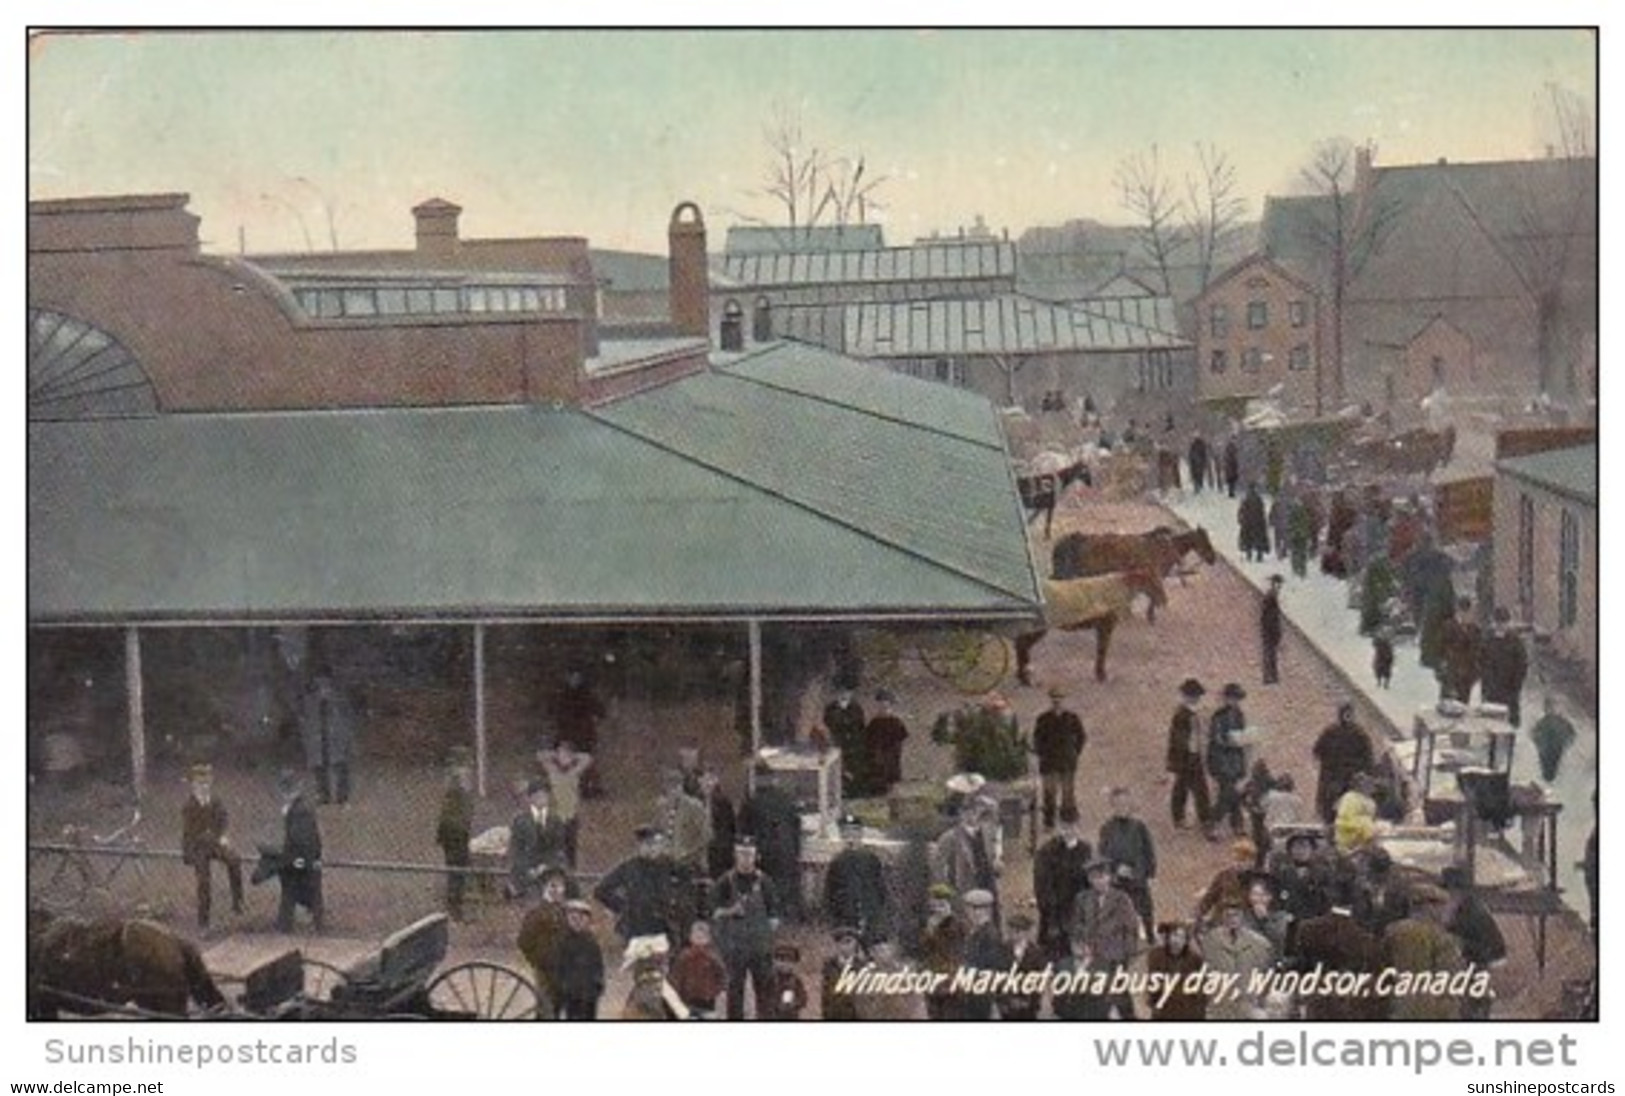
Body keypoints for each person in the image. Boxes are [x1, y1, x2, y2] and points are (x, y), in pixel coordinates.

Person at [710, 836, 782, 1020]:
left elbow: (775, 916)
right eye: (741, 854)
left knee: (765, 991)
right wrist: (730, 911)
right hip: (735, 949)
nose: (745, 859)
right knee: (734, 992)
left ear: (756, 856)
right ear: (735, 855)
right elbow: (713, 913)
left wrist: (765, 933)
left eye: (749, 854)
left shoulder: (765, 882)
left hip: (760, 948)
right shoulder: (725, 882)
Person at [1382, 884, 1466, 1020]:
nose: (1444, 911)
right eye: (1442, 906)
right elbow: (1449, 981)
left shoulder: (1392, 931)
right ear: (1430, 907)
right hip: (1432, 1009)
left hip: (1398, 1005)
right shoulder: (1442, 938)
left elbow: (1383, 967)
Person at [1070, 859, 1140, 1020]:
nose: (1099, 881)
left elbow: (1131, 928)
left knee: (1120, 996)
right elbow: (1076, 927)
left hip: (1115, 957)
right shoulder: (1082, 899)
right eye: (1094, 878)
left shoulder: (1121, 898)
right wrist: (1081, 949)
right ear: (1089, 880)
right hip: (1091, 956)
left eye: (1102, 877)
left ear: (1109, 877)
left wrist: (1126, 954)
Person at [180, 762, 244, 931]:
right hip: (197, 846)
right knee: (204, 882)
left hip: (213, 842)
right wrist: (212, 838)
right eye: (200, 784)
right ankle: (203, 923)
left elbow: (223, 819)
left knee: (235, 860)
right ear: (193, 785)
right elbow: (192, 833)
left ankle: (238, 902)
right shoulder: (189, 806)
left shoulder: (215, 800)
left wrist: (222, 835)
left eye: (207, 783)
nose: (204, 787)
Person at [594, 825, 680, 947]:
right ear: (640, 846)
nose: (652, 849)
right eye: (648, 844)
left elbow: (684, 884)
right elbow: (601, 890)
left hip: (662, 928)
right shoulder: (629, 867)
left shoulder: (668, 866)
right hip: (636, 927)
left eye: (656, 844)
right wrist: (622, 906)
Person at [1440, 866, 1506, 1020]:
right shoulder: (1466, 905)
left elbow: (1482, 943)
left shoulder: (1470, 910)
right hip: (1477, 958)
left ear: (1455, 888)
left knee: (1473, 1001)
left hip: (1479, 958)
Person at [1098, 786, 1157, 941]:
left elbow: (1148, 850)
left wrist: (1148, 871)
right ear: (1112, 806)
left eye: (1125, 804)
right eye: (1118, 804)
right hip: (1118, 881)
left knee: (1145, 909)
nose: (1122, 808)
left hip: (1138, 878)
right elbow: (1103, 855)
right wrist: (1115, 870)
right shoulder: (1107, 829)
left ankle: (1150, 934)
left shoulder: (1139, 827)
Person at [1200, 899, 1274, 1020]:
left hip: (1247, 1007)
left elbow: (1266, 975)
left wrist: (1260, 1003)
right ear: (1222, 917)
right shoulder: (1211, 942)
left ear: (1242, 917)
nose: (1232, 919)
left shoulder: (1259, 944)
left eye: (1236, 915)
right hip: (1219, 1008)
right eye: (1228, 915)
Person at [1033, 806, 1092, 958]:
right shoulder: (1047, 851)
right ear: (1058, 827)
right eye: (1064, 827)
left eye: (1072, 827)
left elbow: (1090, 882)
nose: (1068, 831)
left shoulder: (1086, 850)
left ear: (1078, 826)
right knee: (1053, 957)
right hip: (1054, 914)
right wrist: (1050, 913)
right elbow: (1041, 885)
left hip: (1078, 912)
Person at [824, 814, 890, 945]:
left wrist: (879, 916)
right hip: (846, 918)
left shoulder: (871, 859)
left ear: (860, 834)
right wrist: (834, 922)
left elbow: (881, 891)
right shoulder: (837, 862)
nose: (850, 837)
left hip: (870, 916)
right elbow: (829, 894)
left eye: (854, 832)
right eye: (846, 833)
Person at [933, 797, 1000, 922]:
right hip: (963, 896)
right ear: (961, 814)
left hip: (987, 891)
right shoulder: (949, 838)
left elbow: (991, 862)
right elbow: (938, 872)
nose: (973, 815)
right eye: (968, 811)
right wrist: (948, 898)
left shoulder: (986, 834)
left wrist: (995, 866)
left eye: (976, 811)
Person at [274, 768, 323, 933]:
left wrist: (297, 859)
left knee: (289, 878)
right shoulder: (294, 809)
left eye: (290, 790)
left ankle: (289, 922)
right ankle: (288, 921)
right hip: (303, 857)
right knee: (282, 871)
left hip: (305, 859)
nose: (286, 794)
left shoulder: (300, 811)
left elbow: (302, 840)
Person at [517, 867, 571, 1015]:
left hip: (562, 968)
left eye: (560, 886)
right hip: (544, 968)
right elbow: (523, 941)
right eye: (552, 886)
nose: (556, 890)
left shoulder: (565, 912)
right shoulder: (536, 912)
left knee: (558, 1005)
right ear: (544, 888)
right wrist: (537, 960)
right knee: (545, 1007)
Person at [300, 667, 357, 806]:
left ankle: (342, 797)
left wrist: (347, 736)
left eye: (325, 683)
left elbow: (347, 717)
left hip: (336, 737)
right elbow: (305, 718)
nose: (323, 686)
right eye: (319, 683)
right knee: (319, 767)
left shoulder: (339, 698)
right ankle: (323, 795)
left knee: (340, 765)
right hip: (318, 738)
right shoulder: (310, 699)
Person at [1032, 686, 1086, 830]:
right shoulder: (1043, 719)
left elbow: (1081, 737)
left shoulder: (1072, 718)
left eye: (1060, 698)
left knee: (1068, 792)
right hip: (1049, 762)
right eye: (1054, 698)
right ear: (1051, 700)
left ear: (1064, 700)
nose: (1057, 701)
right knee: (1049, 792)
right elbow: (1037, 739)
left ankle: (1068, 820)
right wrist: (1041, 753)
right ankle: (1049, 822)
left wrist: (1075, 752)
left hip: (1067, 761)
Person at [1312, 702, 1375, 825]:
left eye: (1349, 714)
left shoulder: (1359, 734)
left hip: (1348, 780)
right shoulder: (1331, 733)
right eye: (1346, 714)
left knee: (1348, 808)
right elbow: (1318, 752)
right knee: (1333, 809)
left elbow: (1368, 759)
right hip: (1335, 778)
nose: (1348, 717)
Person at [1165, 678, 1213, 835]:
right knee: (1188, 788)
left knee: (1193, 788)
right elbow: (1180, 740)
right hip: (1185, 758)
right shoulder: (1182, 715)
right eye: (1193, 695)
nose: (1196, 698)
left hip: (1192, 756)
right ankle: (1188, 818)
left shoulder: (1189, 713)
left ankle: (1196, 818)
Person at [509, 781, 569, 898]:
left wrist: (546, 866)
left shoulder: (556, 821)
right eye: (537, 796)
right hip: (525, 874)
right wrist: (528, 869)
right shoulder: (520, 821)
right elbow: (516, 850)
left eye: (544, 795)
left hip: (550, 873)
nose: (541, 799)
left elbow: (559, 848)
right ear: (530, 798)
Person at [536, 737, 589, 869]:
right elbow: (540, 756)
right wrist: (557, 754)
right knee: (553, 848)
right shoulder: (553, 771)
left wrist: (572, 756)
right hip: (556, 816)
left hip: (571, 816)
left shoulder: (574, 772)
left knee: (570, 850)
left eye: (567, 754)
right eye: (561, 754)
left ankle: (571, 874)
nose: (563, 757)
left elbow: (587, 758)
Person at [552, 670, 607, 797]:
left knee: (585, 762)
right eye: (572, 677)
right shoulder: (563, 695)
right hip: (569, 733)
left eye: (576, 678)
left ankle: (588, 787)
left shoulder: (586, 695)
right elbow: (555, 712)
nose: (574, 681)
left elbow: (601, 711)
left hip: (583, 733)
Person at [435, 749, 474, 921]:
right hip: (454, 834)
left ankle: (455, 904)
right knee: (456, 870)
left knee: (458, 870)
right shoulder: (456, 789)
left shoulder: (456, 788)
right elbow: (452, 816)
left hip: (456, 832)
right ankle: (454, 907)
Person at [1206, 683, 1250, 838]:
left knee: (1235, 793)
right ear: (1226, 698)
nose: (1235, 701)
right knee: (1227, 793)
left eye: (1237, 699)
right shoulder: (1218, 716)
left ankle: (1236, 824)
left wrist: (1245, 739)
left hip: (1236, 760)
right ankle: (1213, 823)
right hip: (1221, 760)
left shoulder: (1239, 714)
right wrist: (1231, 742)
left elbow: (1242, 735)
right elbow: (1216, 739)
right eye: (1233, 698)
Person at [958, 889, 1009, 1020]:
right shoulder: (975, 932)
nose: (969, 913)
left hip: (982, 994)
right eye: (969, 909)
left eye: (971, 909)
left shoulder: (989, 935)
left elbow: (991, 966)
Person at [918, 883, 967, 1020]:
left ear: (948, 906)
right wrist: (930, 930)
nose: (938, 910)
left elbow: (955, 948)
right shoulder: (930, 924)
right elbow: (924, 949)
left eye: (941, 905)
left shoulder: (957, 924)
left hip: (950, 979)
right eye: (935, 906)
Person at [554, 899, 605, 1020]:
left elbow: (598, 965)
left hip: (589, 992)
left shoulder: (591, 942)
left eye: (581, 919)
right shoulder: (562, 941)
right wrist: (561, 986)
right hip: (571, 991)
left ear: (587, 921)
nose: (577, 923)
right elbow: (558, 966)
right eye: (573, 919)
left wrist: (598, 982)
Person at [1477, 608, 1529, 725]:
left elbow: (1522, 665)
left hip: (1509, 689)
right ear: (1494, 622)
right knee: (1490, 721)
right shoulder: (1487, 640)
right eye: (1498, 622)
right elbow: (1480, 661)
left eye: (1503, 622)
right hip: (1491, 689)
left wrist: (1516, 684)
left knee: (1509, 723)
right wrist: (1486, 678)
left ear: (1508, 623)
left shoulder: (1515, 642)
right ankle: (1492, 742)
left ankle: (1509, 742)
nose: (1501, 626)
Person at [669, 919, 729, 1019]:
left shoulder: (713, 956)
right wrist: (675, 994)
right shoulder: (684, 956)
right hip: (687, 1000)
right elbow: (676, 976)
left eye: (702, 937)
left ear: (708, 938)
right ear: (690, 938)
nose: (699, 941)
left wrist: (722, 990)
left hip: (708, 1000)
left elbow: (722, 973)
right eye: (696, 937)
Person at [1146, 922, 1207, 1020]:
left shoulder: (1195, 959)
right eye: (1174, 935)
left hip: (1187, 1011)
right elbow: (1152, 984)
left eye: (1180, 937)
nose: (1176, 941)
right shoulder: (1157, 956)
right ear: (1168, 938)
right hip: (1165, 1010)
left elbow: (1202, 988)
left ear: (1186, 941)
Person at [996, 913, 1046, 1020]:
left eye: (1020, 930)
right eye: (1013, 930)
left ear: (1027, 932)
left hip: (1027, 1006)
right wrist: (1004, 1001)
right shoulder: (1003, 949)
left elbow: (1039, 980)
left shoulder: (1036, 952)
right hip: (1008, 1006)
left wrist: (1030, 1002)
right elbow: (999, 977)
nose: (1016, 934)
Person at [822, 687, 868, 797]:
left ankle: (854, 790)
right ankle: (839, 791)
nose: (844, 695)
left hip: (853, 743)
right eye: (841, 692)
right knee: (838, 766)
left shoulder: (856, 708)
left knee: (853, 766)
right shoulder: (831, 708)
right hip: (838, 741)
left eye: (847, 692)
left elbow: (860, 725)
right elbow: (828, 722)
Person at [1437, 596, 1483, 704]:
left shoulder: (1475, 630)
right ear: (1461, 612)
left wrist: (1475, 674)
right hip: (1451, 677)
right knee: (1448, 708)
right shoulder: (1448, 627)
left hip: (1467, 679)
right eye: (1469, 613)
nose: (1471, 616)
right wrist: (1444, 672)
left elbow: (1478, 652)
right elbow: (1440, 651)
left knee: (1464, 706)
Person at [864, 690, 910, 796]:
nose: (883, 705)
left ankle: (891, 789)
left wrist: (895, 747)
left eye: (886, 703)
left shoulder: (895, 721)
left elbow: (901, 736)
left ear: (890, 705)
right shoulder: (875, 722)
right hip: (877, 751)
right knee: (878, 767)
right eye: (880, 703)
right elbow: (869, 737)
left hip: (891, 750)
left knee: (891, 768)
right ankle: (878, 790)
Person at [1529, 695, 1578, 785]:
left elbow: (1534, 733)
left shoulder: (1546, 720)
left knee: (1548, 761)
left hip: (1548, 748)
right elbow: (1571, 733)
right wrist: (1567, 742)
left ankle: (1549, 776)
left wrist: (1537, 741)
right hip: (1554, 747)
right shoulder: (1556, 720)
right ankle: (1549, 776)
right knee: (1552, 761)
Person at [820, 926, 865, 1021]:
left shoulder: (862, 967)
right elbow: (826, 995)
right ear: (837, 945)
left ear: (855, 944)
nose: (846, 946)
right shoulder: (829, 966)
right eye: (842, 943)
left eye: (849, 942)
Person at [1333, 772, 1380, 854]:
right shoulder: (1350, 797)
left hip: (1364, 844)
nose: (1371, 788)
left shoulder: (1371, 802)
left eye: (1372, 785)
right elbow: (1345, 820)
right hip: (1348, 841)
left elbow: (1372, 821)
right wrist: (1366, 828)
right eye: (1368, 784)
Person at [767, 944, 810, 1020]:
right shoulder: (771, 980)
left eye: (789, 961)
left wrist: (794, 1003)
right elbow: (765, 998)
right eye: (781, 960)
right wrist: (776, 1004)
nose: (785, 965)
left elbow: (803, 999)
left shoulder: (796, 981)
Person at [1260, 573, 1284, 684]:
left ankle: (1272, 677)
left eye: (1279, 584)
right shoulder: (1271, 596)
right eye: (1276, 583)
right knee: (1269, 654)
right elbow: (1268, 615)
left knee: (1271, 654)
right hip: (1270, 630)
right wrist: (1273, 631)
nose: (1278, 586)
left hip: (1272, 630)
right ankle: (1270, 677)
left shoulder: (1273, 595)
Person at [1238, 483, 1270, 562]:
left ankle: (1249, 554)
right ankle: (1259, 555)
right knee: (1259, 538)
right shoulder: (1258, 499)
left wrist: (1241, 519)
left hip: (1248, 522)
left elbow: (1242, 510)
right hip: (1258, 522)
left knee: (1248, 539)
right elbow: (1262, 511)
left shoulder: (1246, 499)